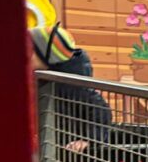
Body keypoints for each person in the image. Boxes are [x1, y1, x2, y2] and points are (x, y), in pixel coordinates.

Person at [30, 22, 111, 153]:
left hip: (63, 149)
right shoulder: (42, 75)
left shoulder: (71, 83)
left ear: (46, 59)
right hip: (45, 143)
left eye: (30, 53)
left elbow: (100, 110)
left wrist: (89, 139)